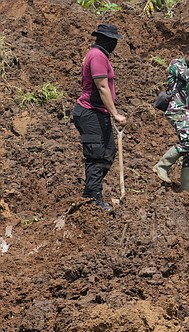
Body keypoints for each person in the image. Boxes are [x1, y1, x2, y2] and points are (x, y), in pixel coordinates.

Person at [72, 23, 126, 213]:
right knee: (95, 155)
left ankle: (89, 192)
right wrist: (115, 114)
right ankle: (94, 198)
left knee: (107, 152)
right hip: (89, 112)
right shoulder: (97, 56)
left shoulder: (100, 55)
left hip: (97, 113)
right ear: (107, 40)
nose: (115, 45)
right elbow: (102, 87)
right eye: (113, 41)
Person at [153, 42, 189, 192]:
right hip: (176, 110)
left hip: (186, 111)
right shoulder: (176, 64)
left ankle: (188, 187)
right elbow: (187, 76)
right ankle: (161, 166)